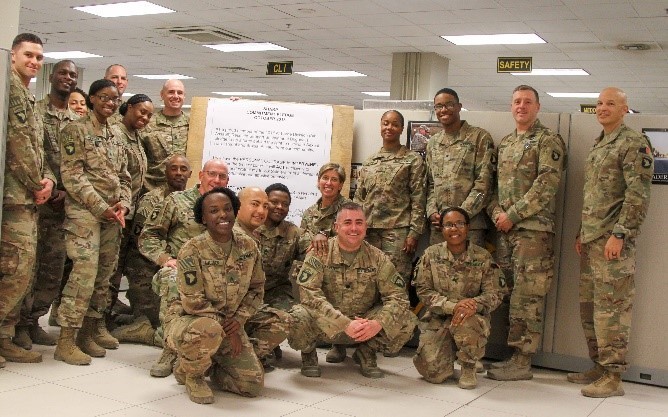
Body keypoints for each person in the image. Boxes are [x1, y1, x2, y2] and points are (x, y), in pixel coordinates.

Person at [569, 87, 653, 397]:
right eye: (599, 104)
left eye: (610, 104)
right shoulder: (600, 143)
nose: (602, 108)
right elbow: (595, 196)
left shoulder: (633, 144)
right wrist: (582, 231)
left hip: (612, 243)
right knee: (590, 308)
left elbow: (638, 196)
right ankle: (599, 366)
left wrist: (620, 234)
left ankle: (614, 376)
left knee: (612, 311)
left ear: (624, 109)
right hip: (592, 240)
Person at [486, 85, 567, 381]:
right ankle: (512, 354)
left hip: (533, 232)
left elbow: (547, 185)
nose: (521, 106)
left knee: (528, 295)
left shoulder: (548, 140)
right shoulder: (506, 143)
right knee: (509, 294)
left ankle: (523, 359)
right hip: (504, 231)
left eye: (527, 102)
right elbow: (492, 187)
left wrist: (513, 214)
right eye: (517, 102)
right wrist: (497, 213)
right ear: (511, 107)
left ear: (538, 107)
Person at [288, 202, 417, 378]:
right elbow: (309, 295)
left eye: (359, 222)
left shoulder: (378, 258)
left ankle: (366, 352)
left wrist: (377, 323)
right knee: (297, 316)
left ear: (366, 226)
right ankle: (309, 353)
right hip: (327, 326)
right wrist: (344, 324)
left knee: (406, 319)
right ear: (336, 227)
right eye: (347, 222)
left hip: (364, 326)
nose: (354, 228)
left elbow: (398, 297)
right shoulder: (320, 253)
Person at [55, 79, 132, 365]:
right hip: (85, 214)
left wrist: (123, 204)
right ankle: (66, 340)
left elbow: (124, 176)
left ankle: (88, 331)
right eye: (105, 98)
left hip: (113, 215)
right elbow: (72, 176)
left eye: (115, 99)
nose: (110, 103)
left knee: (104, 275)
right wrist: (101, 207)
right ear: (92, 99)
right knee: (84, 275)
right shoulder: (75, 130)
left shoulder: (115, 134)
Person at [166, 187, 264, 404]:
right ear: (203, 217)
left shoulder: (248, 246)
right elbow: (193, 302)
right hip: (194, 324)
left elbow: (257, 288)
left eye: (227, 208)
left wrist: (238, 322)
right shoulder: (192, 250)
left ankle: (210, 365)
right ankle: (193, 374)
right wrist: (229, 330)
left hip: (230, 325)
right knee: (207, 329)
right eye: (214, 210)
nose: (222, 215)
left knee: (251, 385)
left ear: (235, 211)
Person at [139, 159, 230, 376]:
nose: (216, 180)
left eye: (222, 177)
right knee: (173, 278)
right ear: (200, 176)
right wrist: (164, 259)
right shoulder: (176, 201)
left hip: (215, 270)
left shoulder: (228, 207)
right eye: (212, 174)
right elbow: (149, 235)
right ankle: (170, 349)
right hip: (181, 267)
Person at [14, 59, 79, 350]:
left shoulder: (79, 123)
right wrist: (47, 184)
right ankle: (17, 325)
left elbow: (82, 165)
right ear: (51, 76)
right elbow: (31, 153)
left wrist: (67, 191)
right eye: (63, 73)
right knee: (27, 268)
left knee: (52, 270)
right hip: (35, 202)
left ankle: (34, 320)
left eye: (73, 75)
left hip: (64, 208)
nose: (68, 78)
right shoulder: (35, 112)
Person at [0, 33, 56, 366]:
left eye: (39, 57)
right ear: (13, 57)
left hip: (27, 196)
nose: (34, 62)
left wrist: (46, 177)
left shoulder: (27, 94)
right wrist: (37, 183)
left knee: (21, 271)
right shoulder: (12, 91)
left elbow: (37, 147)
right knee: (14, 271)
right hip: (15, 198)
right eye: (29, 56)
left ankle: (5, 338)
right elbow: (18, 146)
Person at [413, 207, 504, 389]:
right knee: (433, 373)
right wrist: (452, 306)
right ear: (441, 229)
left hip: (469, 318)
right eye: (448, 225)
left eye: (459, 224)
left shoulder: (483, 257)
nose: (454, 229)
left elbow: (495, 294)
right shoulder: (431, 255)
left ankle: (468, 365)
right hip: (438, 318)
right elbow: (423, 290)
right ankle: (448, 356)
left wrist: (472, 305)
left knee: (466, 319)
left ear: (468, 227)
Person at [111, 155, 192, 345]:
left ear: (190, 173)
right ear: (165, 172)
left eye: (183, 169)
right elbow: (141, 241)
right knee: (160, 321)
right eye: (174, 168)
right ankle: (140, 325)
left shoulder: (189, 200)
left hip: (172, 265)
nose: (178, 173)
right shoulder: (152, 199)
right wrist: (165, 259)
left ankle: (136, 319)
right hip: (146, 268)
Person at [353, 109, 426, 283]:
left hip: (398, 231)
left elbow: (419, 198)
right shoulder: (371, 161)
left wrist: (414, 233)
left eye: (395, 124)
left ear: (401, 129)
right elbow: (359, 197)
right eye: (385, 123)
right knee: (368, 281)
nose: (389, 127)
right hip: (369, 231)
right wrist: (355, 227)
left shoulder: (412, 160)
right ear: (380, 126)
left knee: (395, 282)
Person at [426, 88, 495, 248]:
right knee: (437, 271)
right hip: (439, 229)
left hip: (470, 226)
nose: (443, 110)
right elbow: (430, 184)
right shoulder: (433, 143)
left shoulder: (479, 138)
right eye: (438, 106)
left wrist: (459, 217)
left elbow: (484, 185)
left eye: (449, 105)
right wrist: (431, 212)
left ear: (459, 107)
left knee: (470, 272)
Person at [233, 186, 290, 368]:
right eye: (255, 205)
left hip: (244, 309)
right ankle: (227, 356)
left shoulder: (252, 236)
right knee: (251, 385)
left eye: (265, 206)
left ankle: (242, 354)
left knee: (283, 320)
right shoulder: (231, 236)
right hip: (224, 313)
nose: (261, 211)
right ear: (238, 206)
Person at [108, 94, 153, 320]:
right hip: (116, 210)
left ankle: (107, 314)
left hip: (130, 212)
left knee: (117, 266)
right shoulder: (115, 134)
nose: (144, 117)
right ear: (130, 107)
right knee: (109, 268)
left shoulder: (135, 136)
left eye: (149, 115)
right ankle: (99, 320)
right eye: (141, 112)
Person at [257, 183, 301, 312]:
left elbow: (310, 253)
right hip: (245, 293)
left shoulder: (293, 232)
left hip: (277, 293)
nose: (280, 207)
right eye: (274, 202)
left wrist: (320, 236)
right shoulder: (248, 227)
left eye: (285, 204)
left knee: (294, 320)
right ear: (265, 203)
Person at [141, 79, 189, 191]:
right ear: (162, 95)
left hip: (184, 193)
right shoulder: (147, 123)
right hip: (152, 191)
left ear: (184, 96)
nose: (176, 96)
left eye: (180, 93)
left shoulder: (194, 124)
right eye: (171, 92)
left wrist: (233, 105)